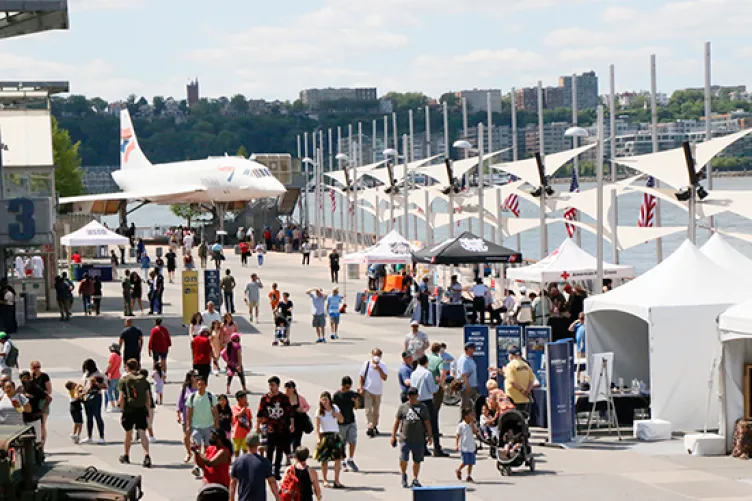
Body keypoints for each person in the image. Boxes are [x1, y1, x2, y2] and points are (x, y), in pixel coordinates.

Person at [391, 387, 432, 489]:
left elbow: (427, 422)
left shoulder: (423, 407)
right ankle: (404, 474)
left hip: (418, 438)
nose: (412, 397)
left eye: (413, 395)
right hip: (405, 438)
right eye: (410, 395)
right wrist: (393, 436)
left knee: (417, 460)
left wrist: (430, 436)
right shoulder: (403, 407)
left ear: (417, 395)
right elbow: (397, 422)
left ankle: (415, 478)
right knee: (403, 459)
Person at [117, 359, 152, 467]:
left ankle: (126, 455)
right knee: (142, 433)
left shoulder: (124, 380)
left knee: (128, 433)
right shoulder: (143, 380)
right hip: (141, 409)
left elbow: (121, 398)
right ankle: (146, 456)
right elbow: (148, 398)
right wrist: (148, 410)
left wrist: (121, 409)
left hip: (129, 409)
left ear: (127, 367)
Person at [257, 376, 293, 480]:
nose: (271, 387)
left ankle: (277, 471)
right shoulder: (265, 398)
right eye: (270, 385)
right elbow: (260, 412)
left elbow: (290, 412)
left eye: (273, 385)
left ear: (278, 386)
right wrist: (258, 426)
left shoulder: (283, 398)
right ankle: (268, 471)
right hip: (269, 428)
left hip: (282, 428)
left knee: (280, 450)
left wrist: (292, 424)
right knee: (269, 450)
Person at [412, 355, 446, 457]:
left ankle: (423, 447)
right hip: (427, 401)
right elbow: (432, 389)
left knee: (421, 426)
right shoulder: (427, 374)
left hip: (417, 401)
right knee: (433, 425)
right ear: (426, 362)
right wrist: (438, 384)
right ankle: (437, 448)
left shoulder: (413, 373)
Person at [229, 432, 279, 501]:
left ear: (246, 444)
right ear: (258, 444)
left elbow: (233, 482)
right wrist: (277, 497)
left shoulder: (237, 461)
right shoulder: (264, 462)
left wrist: (231, 498)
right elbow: (272, 481)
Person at [187, 376, 220, 476]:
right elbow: (189, 411)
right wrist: (188, 426)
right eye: (198, 384)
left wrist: (216, 424)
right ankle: (196, 466)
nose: (200, 386)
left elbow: (215, 410)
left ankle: (206, 465)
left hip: (209, 426)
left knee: (207, 447)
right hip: (196, 426)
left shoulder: (211, 396)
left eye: (202, 384)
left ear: (206, 385)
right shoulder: (192, 397)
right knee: (196, 446)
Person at [314, 391, 345, 489]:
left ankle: (336, 480)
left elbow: (341, 420)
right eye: (322, 399)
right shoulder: (319, 411)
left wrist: (337, 415)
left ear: (329, 400)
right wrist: (318, 438)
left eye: (326, 399)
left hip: (335, 435)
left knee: (338, 459)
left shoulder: (335, 408)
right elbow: (317, 426)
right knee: (324, 460)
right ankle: (325, 480)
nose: (324, 402)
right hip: (325, 435)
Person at [359, 348, 388, 437]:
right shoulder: (367, 364)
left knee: (376, 411)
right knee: (368, 409)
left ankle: (375, 425)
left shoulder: (383, 365)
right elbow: (361, 376)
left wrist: (379, 369)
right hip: (368, 389)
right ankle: (370, 426)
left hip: (378, 391)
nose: (376, 357)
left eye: (378, 355)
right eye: (375, 355)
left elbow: (384, 377)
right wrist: (361, 387)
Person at [333, 376, 359, 472]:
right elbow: (333, 409)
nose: (348, 389)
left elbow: (356, 407)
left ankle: (351, 459)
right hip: (341, 423)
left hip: (351, 420)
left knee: (352, 441)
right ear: (342, 385)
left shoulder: (351, 394)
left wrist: (356, 402)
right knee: (342, 443)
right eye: (346, 387)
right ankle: (343, 461)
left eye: (349, 387)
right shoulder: (337, 395)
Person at [503, 346, 534, 416]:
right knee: (524, 418)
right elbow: (531, 380)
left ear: (511, 355)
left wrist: (522, 391)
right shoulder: (526, 365)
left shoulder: (510, 365)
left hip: (513, 398)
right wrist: (527, 391)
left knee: (514, 419)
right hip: (525, 398)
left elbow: (512, 381)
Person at [81, 358, 106, 444]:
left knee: (97, 415)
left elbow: (105, 386)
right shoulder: (85, 375)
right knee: (89, 417)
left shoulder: (98, 374)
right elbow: (83, 385)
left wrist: (96, 383)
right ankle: (89, 436)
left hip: (96, 396)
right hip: (86, 396)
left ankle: (101, 436)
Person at [19, 370, 46, 450]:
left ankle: (40, 455)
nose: (26, 380)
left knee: (37, 438)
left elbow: (47, 398)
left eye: (28, 378)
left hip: (35, 415)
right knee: (25, 439)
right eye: (24, 378)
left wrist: (42, 410)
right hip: (23, 416)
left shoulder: (34, 387)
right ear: (21, 379)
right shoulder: (20, 389)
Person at [284, 381, 310, 455]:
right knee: (287, 439)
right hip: (286, 421)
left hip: (299, 421)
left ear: (293, 389)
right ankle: (288, 455)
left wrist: (302, 410)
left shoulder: (299, 398)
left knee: (297, 439)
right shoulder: (283, 398)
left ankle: (297, 454)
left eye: (289, 387)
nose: (287, 389)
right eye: (286, 387)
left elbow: (307, 406)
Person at [178, 370, 198, 463]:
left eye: (197, 376)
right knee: (186, 436)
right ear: (190, 377)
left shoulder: (200, 388)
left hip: (197, 415)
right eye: (194, 376)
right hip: (186, 414)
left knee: (195, 436)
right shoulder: (185, 388)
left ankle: (196, 455)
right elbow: (180, 401)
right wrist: (178, 414)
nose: (196, 377)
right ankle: (188, 452)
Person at [30, 361, 52, 445]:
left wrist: (39, 391)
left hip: (43, 402)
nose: (36, 369)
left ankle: (42, 445)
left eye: (38, 367)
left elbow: (49, 391)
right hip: (33, 403)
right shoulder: (30, 377)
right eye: (34, 367)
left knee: (42, 424)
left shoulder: (44, 376)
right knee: (34, 424)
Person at [457, 342, 479, 418]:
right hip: (466, 387)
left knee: (472, 406)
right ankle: (462, 422)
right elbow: (464, 375)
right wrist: (467, 386)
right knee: (465, 406)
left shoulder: (469, 358)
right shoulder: (464, 360)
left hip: (472, 386)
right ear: (468, 349)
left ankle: (470, 422)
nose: (474, 350)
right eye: (473, 349)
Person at [455, 408, 477, 483]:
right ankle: (459, 469)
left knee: (471, 462)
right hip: (464, 446)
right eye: (470, 415)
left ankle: (469, 475)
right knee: (465, 461)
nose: (472, 416)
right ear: (466, 416)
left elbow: (475, 432)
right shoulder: (461, 425)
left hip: (471, 446)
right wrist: (457, 445)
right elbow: (458, 435)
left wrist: (473, 424)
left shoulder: (471, 424)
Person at [232, 391, 253, 458]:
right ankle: (237, 462)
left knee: (245, 450)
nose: (246, 399)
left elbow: (249, 419)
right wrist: (244, 407)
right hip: (237, 433)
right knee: (236, 450)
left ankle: (244, 463)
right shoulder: (235, 408)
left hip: (245, 433)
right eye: (244, 398)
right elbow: (238, 415)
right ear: (239, 399)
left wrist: (250, 427)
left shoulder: (248, 409)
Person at [105, 344, 122, 413]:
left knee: (109, 391)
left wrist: (106, 372)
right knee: (117, 391)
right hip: (118, 375)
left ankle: (113, 406)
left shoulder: (112, 355)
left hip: (112, 376)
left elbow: (110, 365)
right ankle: (118, 405)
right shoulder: (119, 356)